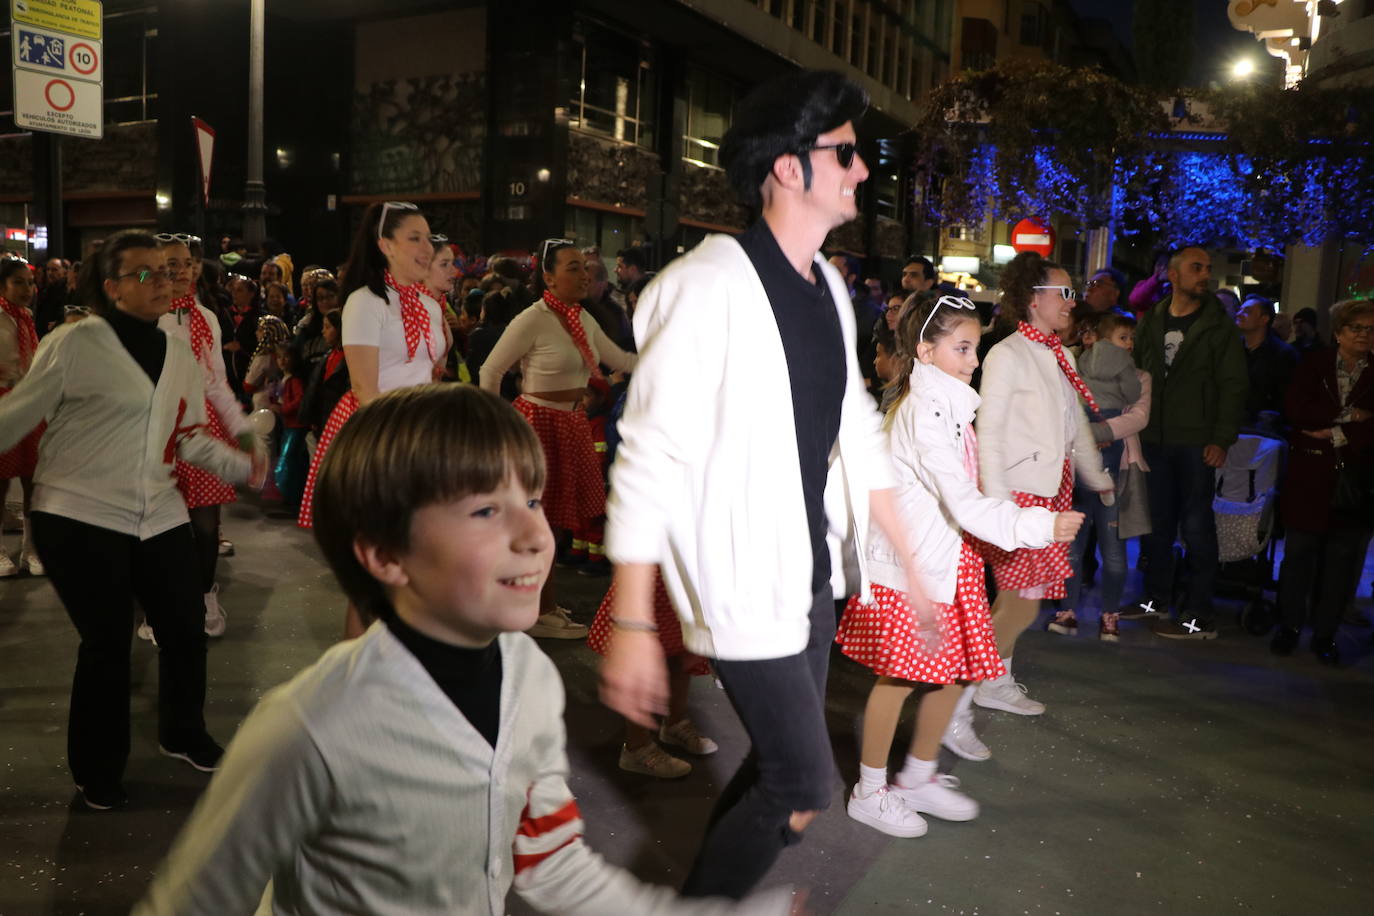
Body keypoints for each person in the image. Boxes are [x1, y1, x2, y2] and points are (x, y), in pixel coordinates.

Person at [132, 384, 793, 916]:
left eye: (530, 498)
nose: (536, 533)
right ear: (386, 554)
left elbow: (549, 859)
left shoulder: (530, 676)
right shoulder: (308, 728)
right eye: (485, 510)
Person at [600, 69, 929, 901]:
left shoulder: (831, 285)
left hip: (809, 569)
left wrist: (907, 554)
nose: (862, 170)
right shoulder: (708, 286)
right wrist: (636, 621)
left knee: (786, 784)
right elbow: (647, 454)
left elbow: (852, 422)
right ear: (790, 167)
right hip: (740, 577)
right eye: (846, 153)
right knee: (803, 784)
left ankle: (711, 896)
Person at [0, 230, 264, 811]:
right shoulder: (75, 342)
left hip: (158, 508)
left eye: (166, 272)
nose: (162, 281)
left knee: (184, 624)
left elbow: (191, 433)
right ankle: (96, 769)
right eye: (145, 273)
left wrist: (244, 463)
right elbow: (17, 413)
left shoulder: (177, 350)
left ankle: (183, 732)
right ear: (113, 287)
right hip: (78, 512)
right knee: (107, 642)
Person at [838, 295, 1083, 837]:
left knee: (958, 672)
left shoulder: (950, 405)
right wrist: (1038, 524)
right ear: (926, 350)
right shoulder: (925, 413)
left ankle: (918, 776)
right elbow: (962, 501)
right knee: (899, 679)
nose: (974, 359)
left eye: (975, 346)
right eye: (962, 347)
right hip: (916, 568)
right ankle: (870, 792)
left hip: (950, 562)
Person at [298, 201, 446, 641]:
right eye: (414, 238)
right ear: (384, 245)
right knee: (375, 570)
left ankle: (402, 661)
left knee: (413, 563)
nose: (427, 247)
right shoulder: (365, 302)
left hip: (418, 435)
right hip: (379, 435)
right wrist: (403, 448)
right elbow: (364, 388)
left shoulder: (429, 306)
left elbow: (426, 373)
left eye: (428, 237)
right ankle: (360, 672)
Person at [973, 251, 1114, 715]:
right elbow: (987, 432)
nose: (1072, 302)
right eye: (1064, 292)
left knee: (1023, 601)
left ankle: (991, 682)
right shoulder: (1006, 354)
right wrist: (997, 506)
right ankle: (974, 688)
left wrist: (1098, 478)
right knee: (1021, 601)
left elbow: (1076, 428)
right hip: (1019, 497)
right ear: (1034, 299)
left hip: (1051, 494)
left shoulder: (1060, 354)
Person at [479, 241, 637, 639]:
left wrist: (669, 355)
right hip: (537, 424)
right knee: (541, 521)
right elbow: (490, 370)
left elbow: (619, 360)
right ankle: (537, 608)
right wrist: (493, 426)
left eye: (584, 268)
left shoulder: (581, 317)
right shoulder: (534, 318)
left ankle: (537, 603)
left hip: (571, 423)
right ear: (547, 277)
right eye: (572, 268)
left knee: (559, 523)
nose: (584, 275)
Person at [1121, 246, 1247, 639]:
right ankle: (1155, 599)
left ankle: (1198, 615)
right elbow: (1137, 375)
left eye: (1208, 268)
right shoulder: (1154, 320)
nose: (1205, 274)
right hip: (1155, 438)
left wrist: (1222, 438)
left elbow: (1234, 385)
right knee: (1156, 526)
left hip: (1196, 442)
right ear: (1173, 275)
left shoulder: (1217, 325)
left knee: (1196, 529)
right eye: (1197, 267)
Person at [154, 234, 254, 638]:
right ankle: (160, 603)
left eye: (187, 263)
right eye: (169, 264)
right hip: (155, 427)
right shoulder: (146, 314)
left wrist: (242, 429)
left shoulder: (206, 318)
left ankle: (204, 594)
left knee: (206, 524)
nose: (180, 271)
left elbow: (216, 382)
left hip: (201, 424)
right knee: (159, 522)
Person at [1271, 299, 1374, 666]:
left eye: (1370, 329)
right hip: (1309, 476)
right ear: (1338, 333)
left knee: (1340, 564)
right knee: (1298, 556)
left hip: (1355, 483)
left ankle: (1325, 635)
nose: (1363, 335)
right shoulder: (1313, 363)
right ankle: (1289, 626)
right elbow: (1297, 411)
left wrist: (1335, 434)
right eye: (1356, 328)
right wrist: (1352, 417)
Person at [1051, 310, 1146, 642]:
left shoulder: (1093, 365)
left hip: (1104, 466)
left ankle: (1108, 613)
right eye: (1124, 337)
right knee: (1076, 545)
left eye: (1132, 338)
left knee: (1112, 549)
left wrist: (1089, 431)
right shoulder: (1118, 370)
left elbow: (1138, 417)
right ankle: (1069, 609)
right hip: (1096, 464)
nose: (1129, 344)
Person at [0, 258, 45, 576]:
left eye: (29, 282)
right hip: (3, 402)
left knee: (34, 481)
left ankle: (32, 549)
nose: (27, 289)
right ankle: (0, 551)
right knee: (0, 482)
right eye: (18, 282)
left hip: (29, 403)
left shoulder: (26, 316)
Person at [1236, 294, 1298, 434]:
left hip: (1264, 431)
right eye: (1240, 310)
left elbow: (1287, 397)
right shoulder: (1232, 349)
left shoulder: (1283, 354)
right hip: (1232, 426)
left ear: (1264, 319)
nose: (1239, 314)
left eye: (1247, 311)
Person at [272, 345, 309, 512]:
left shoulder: (294, 380)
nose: (282, 361)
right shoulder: (284, 379)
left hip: (295, 425)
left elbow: (299, 400)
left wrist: (283, 409)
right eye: (280, 357)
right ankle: (290, 497)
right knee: (290, 460)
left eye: (286, 357)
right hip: (288, 425)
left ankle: (292, 497)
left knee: (288, 460)